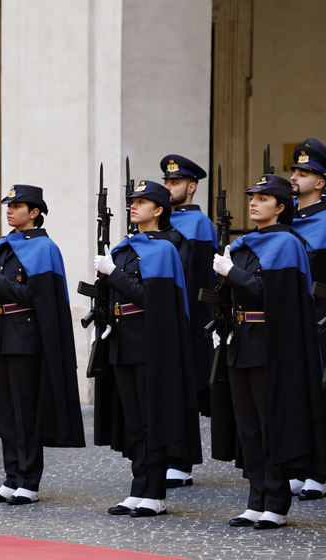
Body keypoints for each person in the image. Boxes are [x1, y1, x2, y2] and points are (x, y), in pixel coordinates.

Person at [213, 174, 326, 529]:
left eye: (262, 198)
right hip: (240, 341)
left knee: (269, 424)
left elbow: (274, 296)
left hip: (269, 344)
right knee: (247, 429)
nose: (253, 202)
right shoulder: (245, 243)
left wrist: (232, 273)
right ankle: (255, 499)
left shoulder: (287, 244)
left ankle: (275, 504)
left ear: (280, 207)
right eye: (252, 197)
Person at [92, 180, 202, 518]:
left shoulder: (164, 249)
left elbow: (151, 300)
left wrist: (113, 275)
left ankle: (154, 492)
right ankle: (137, 488)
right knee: (134, 421)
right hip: (123, 340)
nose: (133, 206)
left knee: (153, 418)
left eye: (142, 201)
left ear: (159, 210)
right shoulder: (125, 248)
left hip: (150, 342)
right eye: (132, 201)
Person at [0, 185, 85, 505]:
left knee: (25, 412)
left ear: (34, 213)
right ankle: (11, 478)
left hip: (25, 337)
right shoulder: (1, 247)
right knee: (6, 412)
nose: (9, 210)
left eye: (17, 205)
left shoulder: (43, 248)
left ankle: (29, 480)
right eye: (8, 205)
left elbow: (39, 300)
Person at [160, 155, 216, 488]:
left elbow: (197, 279)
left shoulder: (198, 225)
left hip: (188, 317)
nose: (168, 188)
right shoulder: (163, 223)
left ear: (192, 187)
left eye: (175, 183)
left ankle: (181, 463)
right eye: (166, 182)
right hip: (160, 316)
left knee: (184, 388)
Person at [288, 139, 326, 501]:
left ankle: (320, 470)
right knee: (294, 391)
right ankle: (298, 463)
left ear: (321, 182)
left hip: (320, 318)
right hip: (288, 317)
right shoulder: (284, 219)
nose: (295, 177)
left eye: (304, 173)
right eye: (294, 172)